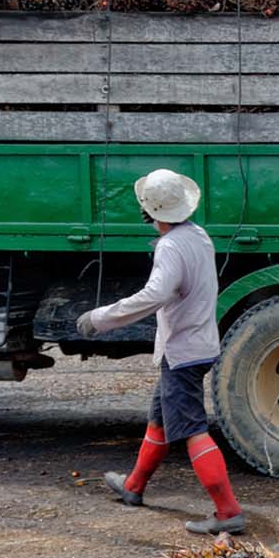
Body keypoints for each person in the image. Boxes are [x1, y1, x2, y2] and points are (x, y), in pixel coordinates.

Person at [75, 169, 247, 534]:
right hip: (197, 344)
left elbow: (154, 295)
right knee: (160, 418)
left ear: (149, 212)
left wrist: (101, 318)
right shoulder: (198, 236)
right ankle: (134, 486)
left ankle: (228, 512)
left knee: (192, 430)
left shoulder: (170, 247)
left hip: (183, 351)